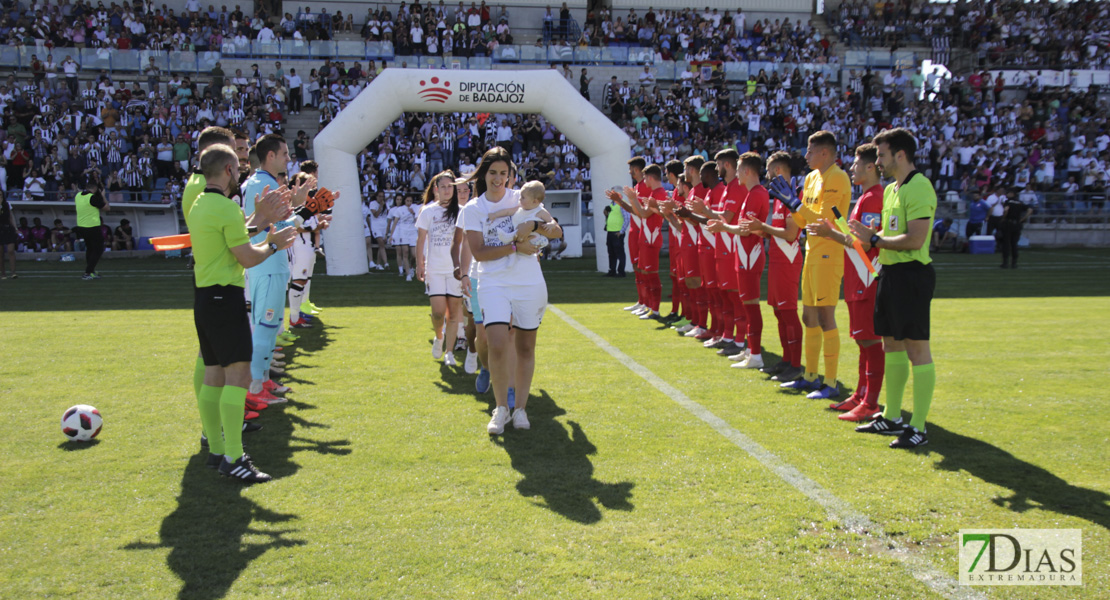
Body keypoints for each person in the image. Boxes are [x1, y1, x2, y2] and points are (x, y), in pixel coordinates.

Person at [187, 142, 297, 482]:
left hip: (205, 299)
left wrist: (260, 218)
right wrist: (275, 243)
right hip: (225, 298)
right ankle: (234, 457)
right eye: (239, 167)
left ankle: (218, 450)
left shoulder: (201, 204)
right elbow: (246, 256)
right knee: (237, 376)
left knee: (213, 374)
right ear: (230, 171)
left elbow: (232, 235)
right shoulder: (225, 208)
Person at [461, 147, 561, 435]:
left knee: (526, 346)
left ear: (510, 175)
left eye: (503, 173)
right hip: (493, 282)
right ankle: (500, 409)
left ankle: (520, 410)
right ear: (484, 173)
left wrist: (536, 225)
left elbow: (556, 231)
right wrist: (516, 246)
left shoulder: (523, 198)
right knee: (498, 344)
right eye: (493, 172)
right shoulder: (473, 208)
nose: (498, 178)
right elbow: (479, 253)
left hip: (528, 281)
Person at [849, 127, 938, 449]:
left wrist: (874, 239)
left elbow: (915, 238)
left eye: (882, 155)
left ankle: (918, 426)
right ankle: (892, 414)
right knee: (891, 344)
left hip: (912, 274)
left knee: (916, 347)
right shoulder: (891, 191)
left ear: (901, 154)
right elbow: (887, 233)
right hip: (890, 272)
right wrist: (868, 234)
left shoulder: (920, 187)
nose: (879, 162)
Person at [807, 143, 885, 422]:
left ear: (870, 167)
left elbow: (863, 242)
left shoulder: (874, 198)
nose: (851, 168)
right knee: (862, 340)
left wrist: (831, 234)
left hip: (866, 277)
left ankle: (871, 402)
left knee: (870, 339)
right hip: (857, 277)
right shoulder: (865, 198)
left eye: (855, 164)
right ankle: (862, 395)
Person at [778, 131, 851, 400]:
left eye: (810, 151)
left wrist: (796, 204)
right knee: (808, 316)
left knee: (824, 316)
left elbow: (824, 223)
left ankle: (831, 381)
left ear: (824, 152)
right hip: (811, 252)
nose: (805, 156)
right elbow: (801, 223)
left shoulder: (837, 177)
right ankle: (810, 376)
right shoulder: (810, 178)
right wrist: (792, 206)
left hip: (828, 255)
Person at [241, 134, 303, 406]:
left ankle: (263, 379)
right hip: (266, 263)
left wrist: (303, 209)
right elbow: (276, 224)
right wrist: (307, 212)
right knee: (266, 328)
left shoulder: (261, 181)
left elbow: (278, 221)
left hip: (269, 263)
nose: (288, 159)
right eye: (285, 153)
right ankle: (254, 388)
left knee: (269, 325)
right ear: (271, 156)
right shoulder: (263, 183)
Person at [743, 151, 803, 381]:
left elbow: (790, 233)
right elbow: (777, 232)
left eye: (768, 170)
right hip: (777, 259)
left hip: (788, 260)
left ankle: (795, 365)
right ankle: (786, 360)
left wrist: (763, 228)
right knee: (779, 312)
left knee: (788, 312)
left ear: (778, 170)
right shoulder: (779, 198)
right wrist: (760, 229)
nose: (766, 176)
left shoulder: (794, 196)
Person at [708, 151, 770, 369]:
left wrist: (723, 226)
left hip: (750, 255)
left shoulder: (757, 193)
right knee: (747, 304)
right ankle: (750, 351)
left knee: (751, 306)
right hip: (745, 254)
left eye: (740, 169)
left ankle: (755, 354)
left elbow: (745, 230)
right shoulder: (752, 193)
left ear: (746, 171)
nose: (738, 174)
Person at [416, 170, 464, 366]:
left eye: (449, 187)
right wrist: (420, 263)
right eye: (442, 187)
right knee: (437, 312)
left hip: (455, 270)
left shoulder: (462, 211)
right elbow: (420, 240)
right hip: (434, 269)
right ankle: (439, 336)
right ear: (436, 189)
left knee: (453, 314)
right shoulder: (428, 211)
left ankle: (449, 353)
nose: (446, 190)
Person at [619, 163, 667, 320]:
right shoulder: (654, 192)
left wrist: (633, 200)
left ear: (650, 177)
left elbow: (644, 214)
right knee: (646, 272)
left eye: (645, 177)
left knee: (651, 274)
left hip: (651, 236)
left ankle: (654, 309)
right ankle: (648, 306)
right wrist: (631, 201)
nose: (643, 180)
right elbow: (642, 212)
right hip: (646, 236)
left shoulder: (658, 193)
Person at [605, 157, 647, 313]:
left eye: (630, 169)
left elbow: (638, 212)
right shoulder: (637, 187)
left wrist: (620, 202)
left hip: (642, 231)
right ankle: (642, 301)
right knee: (637, 267)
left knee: (643, 269)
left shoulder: (644, 187)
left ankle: (648, 304)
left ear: (635, 170)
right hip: (634, 231)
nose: (629, 172)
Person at [74, 180, 109, 280]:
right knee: (98, 249)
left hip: (81, 227)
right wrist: (103, 196)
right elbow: (107, 208)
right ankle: (88, 272)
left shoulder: (78, 195)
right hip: (92, 226)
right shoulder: (92, 198)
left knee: (90, 249)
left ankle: (91, 271)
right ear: (95, 189)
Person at [387, 194, 418, 280]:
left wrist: (414, 213)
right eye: (407, 201)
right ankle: (408, 274)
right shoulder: (399, 210)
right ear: (405, 201)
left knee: (414, 255)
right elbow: (395, 222)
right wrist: (391, 235)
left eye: (410, 201)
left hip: (413, 232)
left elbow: (418, 221)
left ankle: (411, 267)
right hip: (403, 232)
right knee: (405, 252)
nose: (409, 203)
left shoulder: (415, 208)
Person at [998, 189, 1030, 269]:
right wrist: (1023, 219)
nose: (1006, 195)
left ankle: (1005, 263)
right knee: (1014, 244)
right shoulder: (1020, 202)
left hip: (1008, 223)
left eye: (1007, 193)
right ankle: (1014, 263)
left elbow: (1006, 210)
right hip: (1017, 224)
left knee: (1006, 243)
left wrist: (1003, 218)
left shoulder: (1008, 202)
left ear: (1012, 194)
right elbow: (1030, 210)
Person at [602, 192, 627, 277]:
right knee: (611, 253)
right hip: (611, 232)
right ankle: (612, 270)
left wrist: (622, 231)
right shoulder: (612, 205)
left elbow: (627, 218)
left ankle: (621, 271)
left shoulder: (622, 204)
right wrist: (606, 215)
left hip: (617, 232)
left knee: (619, 253)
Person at [0, 195, 17, 279]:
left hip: (8, 228)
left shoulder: (7, 204)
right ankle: (3, 273)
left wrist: (15, 228)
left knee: (11, 250)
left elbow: (11, 217)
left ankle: (13, 272)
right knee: (1, 253)